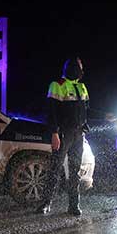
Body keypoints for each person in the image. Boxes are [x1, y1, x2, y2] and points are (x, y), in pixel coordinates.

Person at [36, 57, 89, 216]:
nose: (81, 70)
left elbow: (85, 110)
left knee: (75, 171)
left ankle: (74, 205)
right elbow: (51, 112)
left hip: (78, 134)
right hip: (62, 133)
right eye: (79, 67)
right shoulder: (57, 85)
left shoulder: (82, 87)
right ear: (71, 68)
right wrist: (54, 133)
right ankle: (46, 204)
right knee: (55, 169)